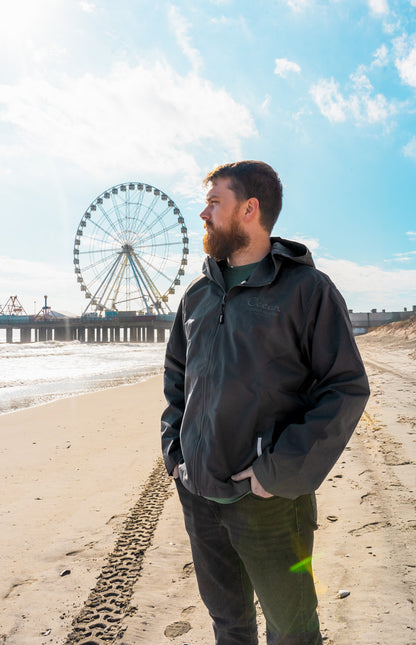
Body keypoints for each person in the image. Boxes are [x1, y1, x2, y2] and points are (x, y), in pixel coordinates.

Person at [161, 160, 370, 645]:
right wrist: (175, 450)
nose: (203, 213)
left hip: (271, 507)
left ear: (249, 209)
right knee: (229, 627)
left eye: (215, 201)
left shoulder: (306, 291)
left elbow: (345, 387)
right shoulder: (196, 295)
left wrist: (278, 472)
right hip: (199, 496)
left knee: (292, 630)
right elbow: (176, 379)